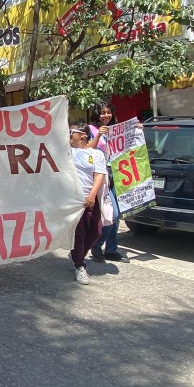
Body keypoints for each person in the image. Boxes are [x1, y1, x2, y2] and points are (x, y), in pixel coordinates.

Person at [69, 123, 107, 286]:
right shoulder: (67, 152)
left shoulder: (96, 154)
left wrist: (92, 195)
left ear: (83, 135)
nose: (69, 135)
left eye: (72, 132)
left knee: (95, 231)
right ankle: (79, 265)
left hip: (91, 197)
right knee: (79, 233)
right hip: (73, 199)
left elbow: (99, 176)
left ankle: (77, 255)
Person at [87, 102, 124, 262]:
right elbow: (89, 148)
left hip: (119, 172)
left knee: (119, 214)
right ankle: (96, 244)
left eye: (108, 112)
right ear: (97, 114)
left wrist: (137, 130)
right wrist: (99, 135)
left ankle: (111, 249)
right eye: (102, 113)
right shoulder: (90, 129)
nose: (106, 115)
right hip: (103, 174)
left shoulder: (116, 129)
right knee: (113, 214)